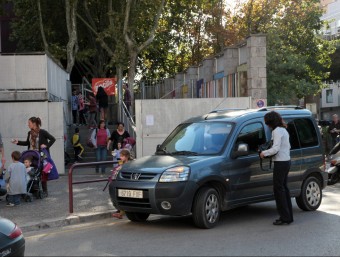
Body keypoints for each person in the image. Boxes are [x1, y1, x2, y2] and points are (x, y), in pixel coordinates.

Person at [259, 111, 293, 225]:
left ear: (271, 122)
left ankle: (284, 217)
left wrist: (264, 153)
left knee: (278, 190)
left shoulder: (277, 131)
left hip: (280, 163)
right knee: (284, 189)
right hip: (286, 161)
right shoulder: (284, 130)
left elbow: (276, 148)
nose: (267, 125)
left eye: (267, 123)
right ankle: (288, 216)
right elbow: (287, 146)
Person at [11, 117, 56, 197]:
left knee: (42, 171)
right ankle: (31, 188)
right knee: (27, 168)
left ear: (34, 123)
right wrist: (17, 142)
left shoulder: (42, 132)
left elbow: (53, 139)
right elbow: (27, 143)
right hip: (31, 154)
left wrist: (46, 146)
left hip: (41, 154)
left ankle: (45, 190)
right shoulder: (29, 133)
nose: (28, 124)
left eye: (29, 123)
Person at [111, 149, 132, 219]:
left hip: (127, 183)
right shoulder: (122, 163)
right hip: (121, 182)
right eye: (120, 156)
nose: (121, 157)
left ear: (126, 157)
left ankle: (120, 213)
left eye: (122, 156)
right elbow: (118, 169)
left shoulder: (130, 164)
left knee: (124, 197)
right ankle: (120, 212)